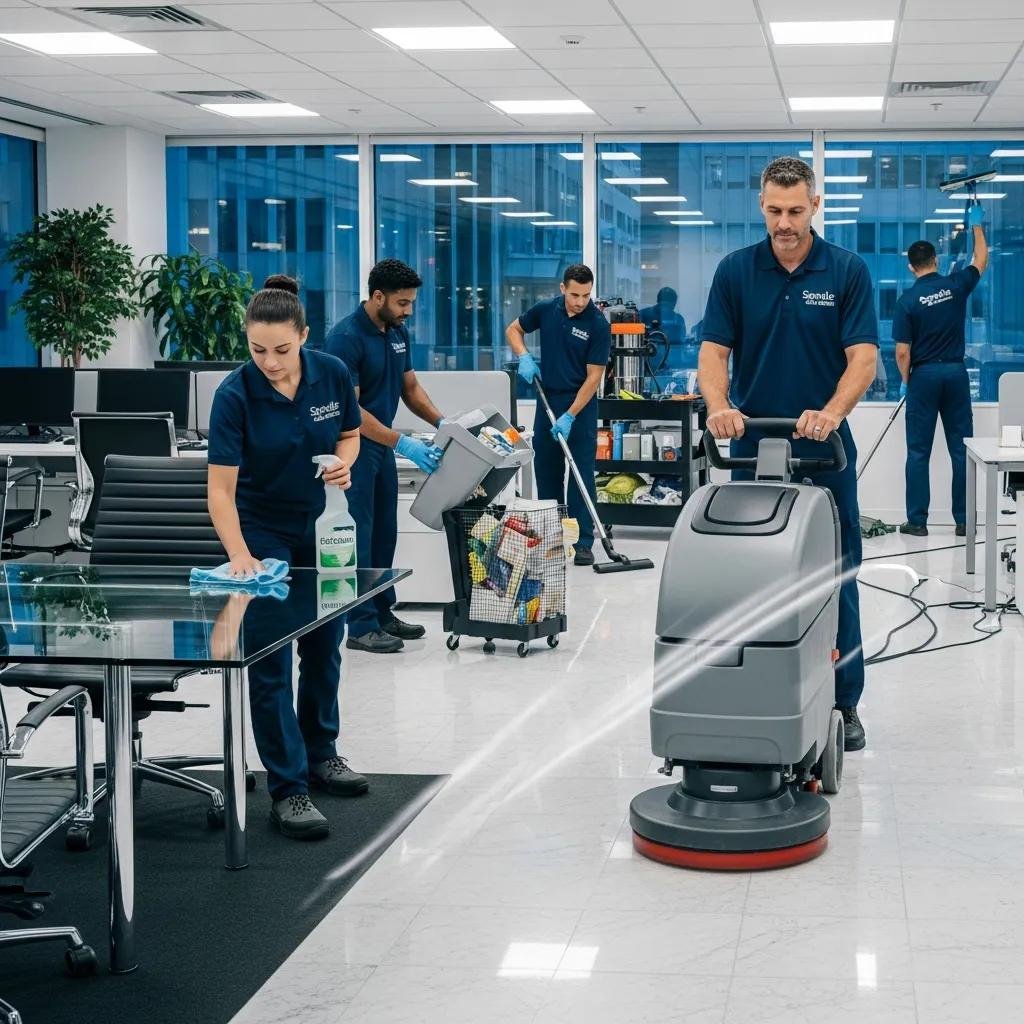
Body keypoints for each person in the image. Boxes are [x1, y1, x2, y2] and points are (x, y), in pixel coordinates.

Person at [697, 156, 878, 752]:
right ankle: (759, 690)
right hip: (754, 447)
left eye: (795, 210)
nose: (784, 223)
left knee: (837, 575)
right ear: (761, 206)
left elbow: (863, 359)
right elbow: (714, 354)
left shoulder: (846, 270)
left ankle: (843, 702)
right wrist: (719, 405)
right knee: (751, 576)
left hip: (825, 450)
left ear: (814, 205)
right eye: (774, 211)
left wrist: (831, 413)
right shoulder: (735, 271)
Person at [207, 274, 365, 841]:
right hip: (261, 529)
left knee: (326, 642)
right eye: (256, 350)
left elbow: (350, 433)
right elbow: (220, 491)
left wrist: (343, 462)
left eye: (281, 349)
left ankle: (322, 754)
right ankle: (288, 789)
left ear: (303, 336)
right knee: (269, 657)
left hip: (324, 524)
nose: (269, 362)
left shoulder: (332, 373)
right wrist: (241, 556)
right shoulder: (234, 394)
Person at [325, 259, 446, 653]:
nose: (408, 310)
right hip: (356, 450)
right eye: (402, 302)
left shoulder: (397, 332)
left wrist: (444, 424)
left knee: (383, 536)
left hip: (384, 450)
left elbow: (410, 388)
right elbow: (352, 412)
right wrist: (402, 442)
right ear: (378, 297)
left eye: (410, 303)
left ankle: (382, 611)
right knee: (359, 536)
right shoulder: (345, 338)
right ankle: (359, 626)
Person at [506, 264, 611, 566]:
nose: (581, 301)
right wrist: (523, 355)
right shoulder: (546, 309)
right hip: (546, 399)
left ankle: (581, 542)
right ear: (563, 288)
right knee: (547, 472)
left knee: (580, 475)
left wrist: (570, 416)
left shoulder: (597, 325)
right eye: (575, 294)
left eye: (587, 295)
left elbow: (594, 379)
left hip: (580, 404)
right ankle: (552, 538)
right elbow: (513, 329)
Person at [894, 206, 988, 538]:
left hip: (923, 377)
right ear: (935, 260)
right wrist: (976, 226)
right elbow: (980, 260)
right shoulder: (955, 285)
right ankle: (964, 521)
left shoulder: (907, 301)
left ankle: (917, 522)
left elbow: (902, 351)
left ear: (911, 266)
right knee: (961, 449)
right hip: (955, 374)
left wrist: (907, 382)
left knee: (918, 452)